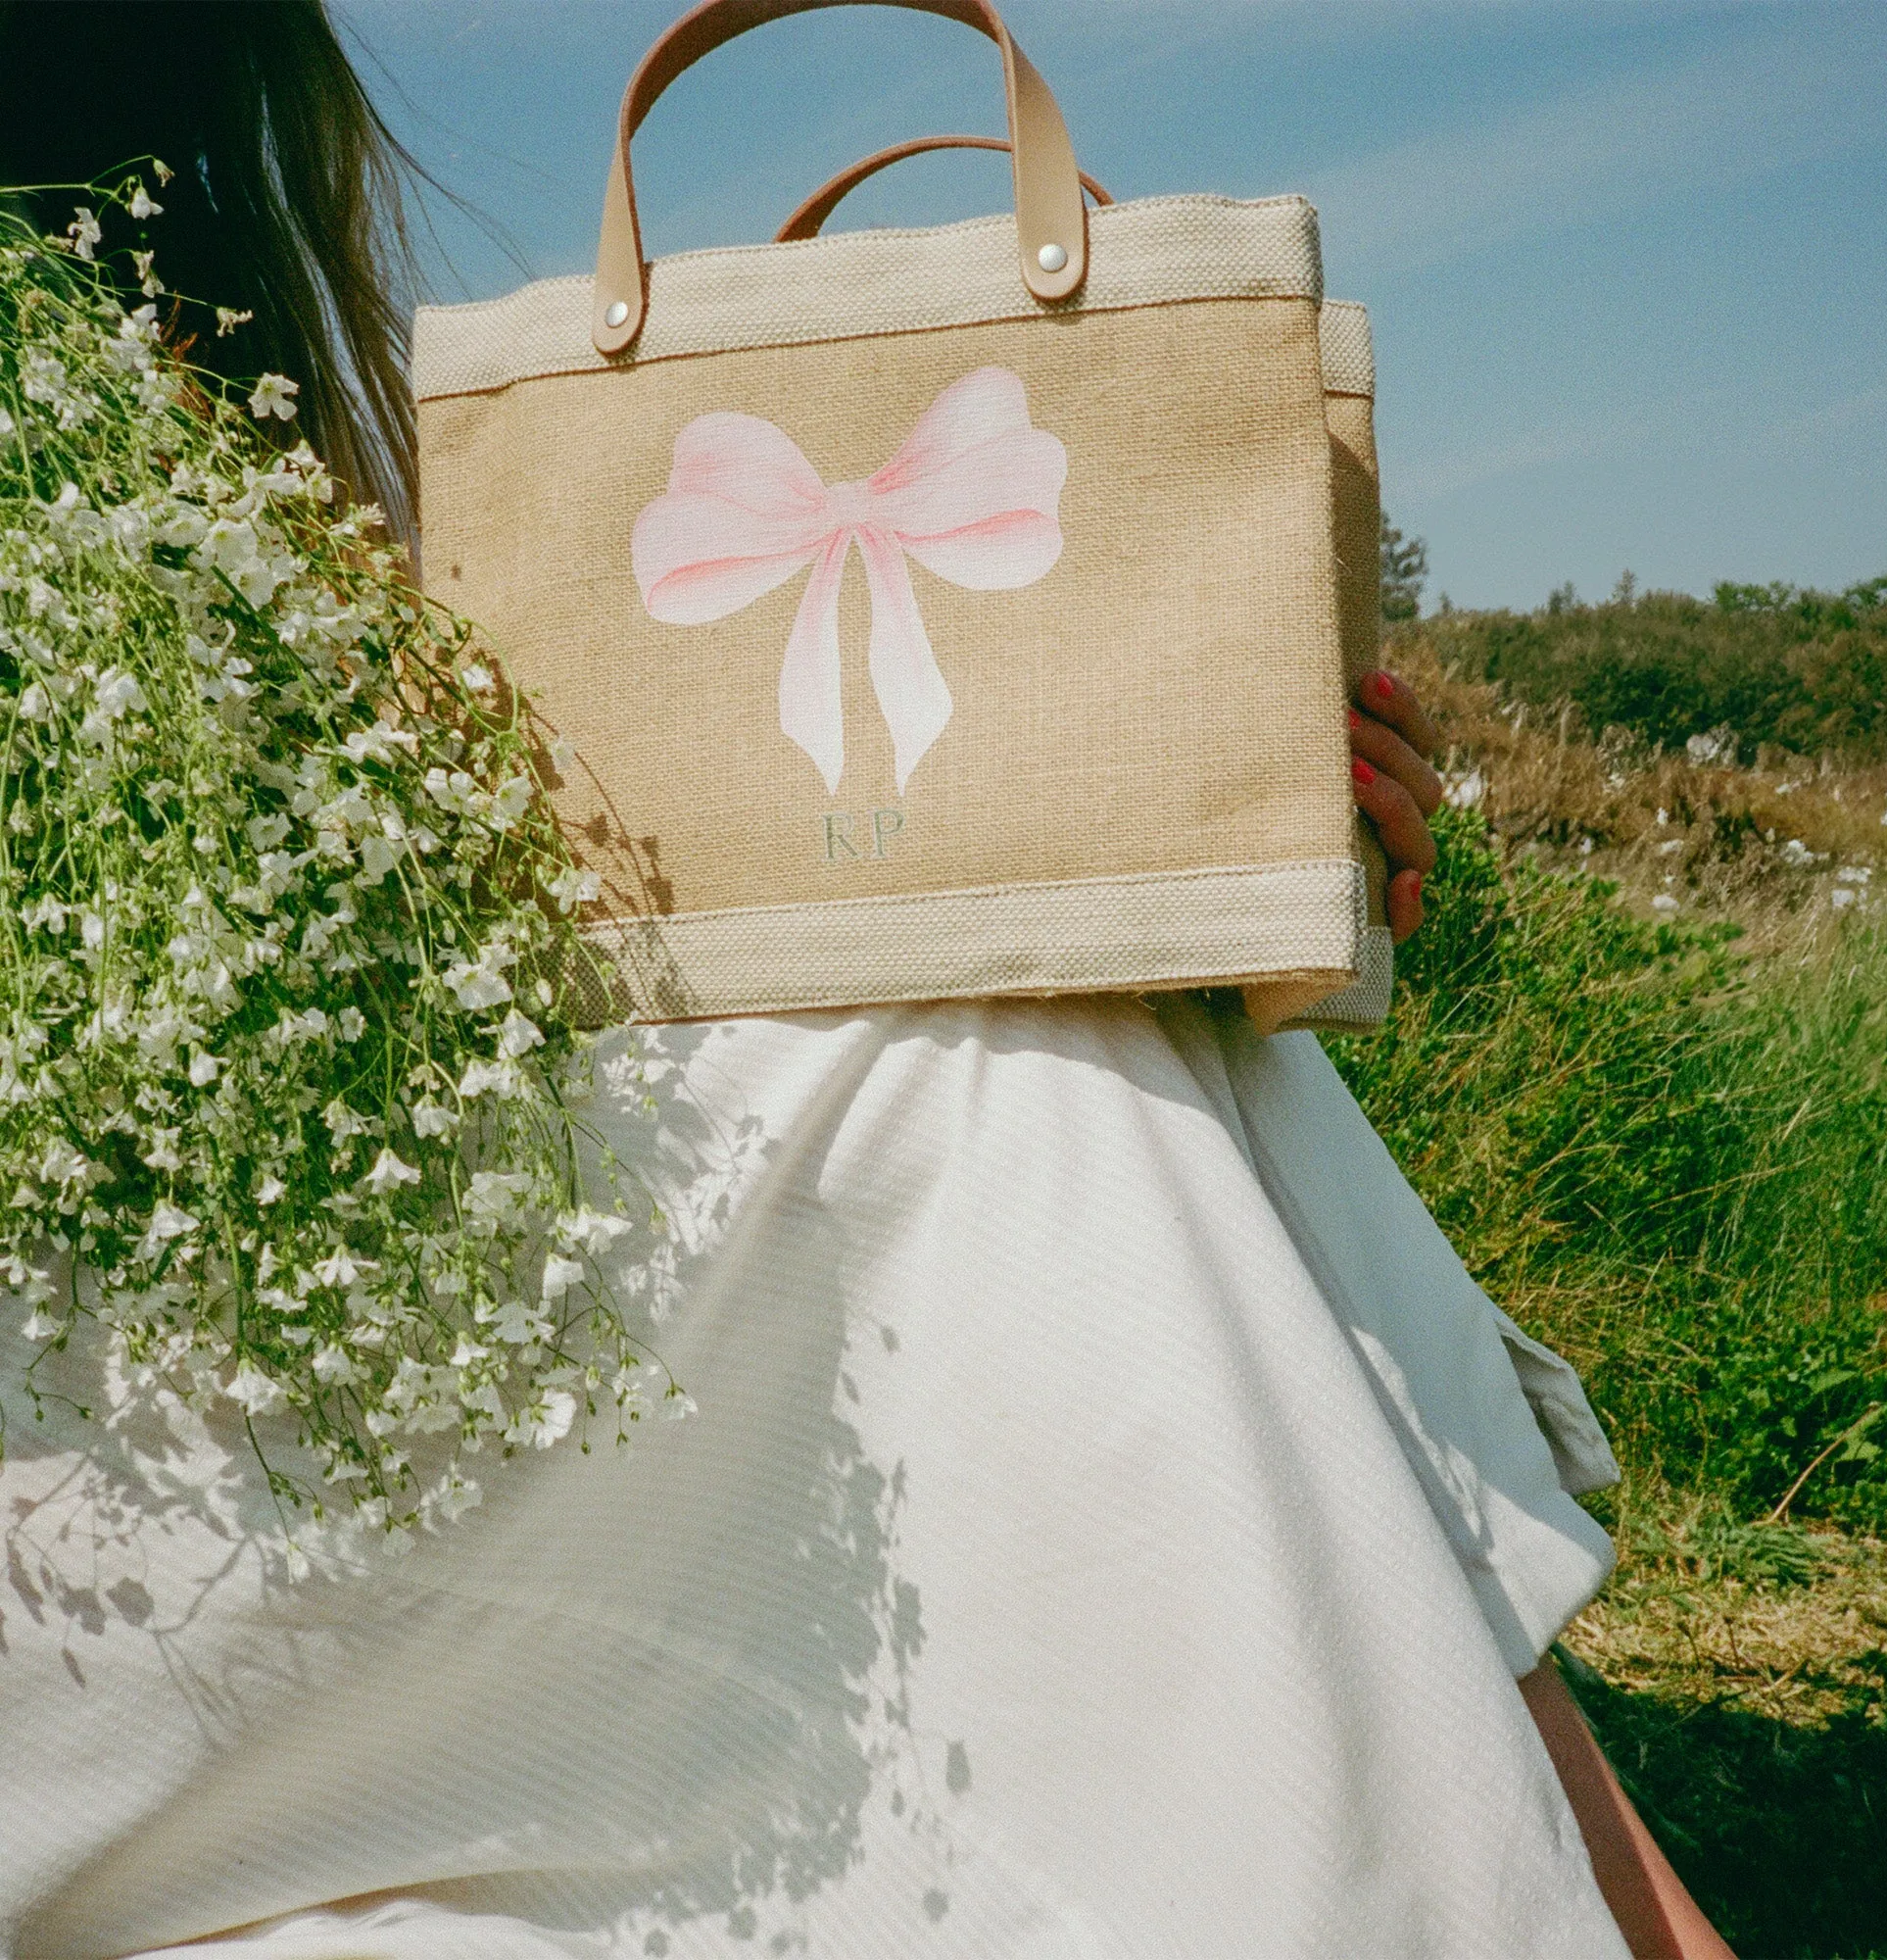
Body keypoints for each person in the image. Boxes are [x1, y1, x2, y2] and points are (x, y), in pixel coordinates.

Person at [0, 6, 1732, 1956]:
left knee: (1068, 1010)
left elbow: (418, 902)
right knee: (1025, 1064)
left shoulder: (147, 433)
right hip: (83, 1514)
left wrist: (1218, 816)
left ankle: (1575, 1890)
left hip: (186, 1288)